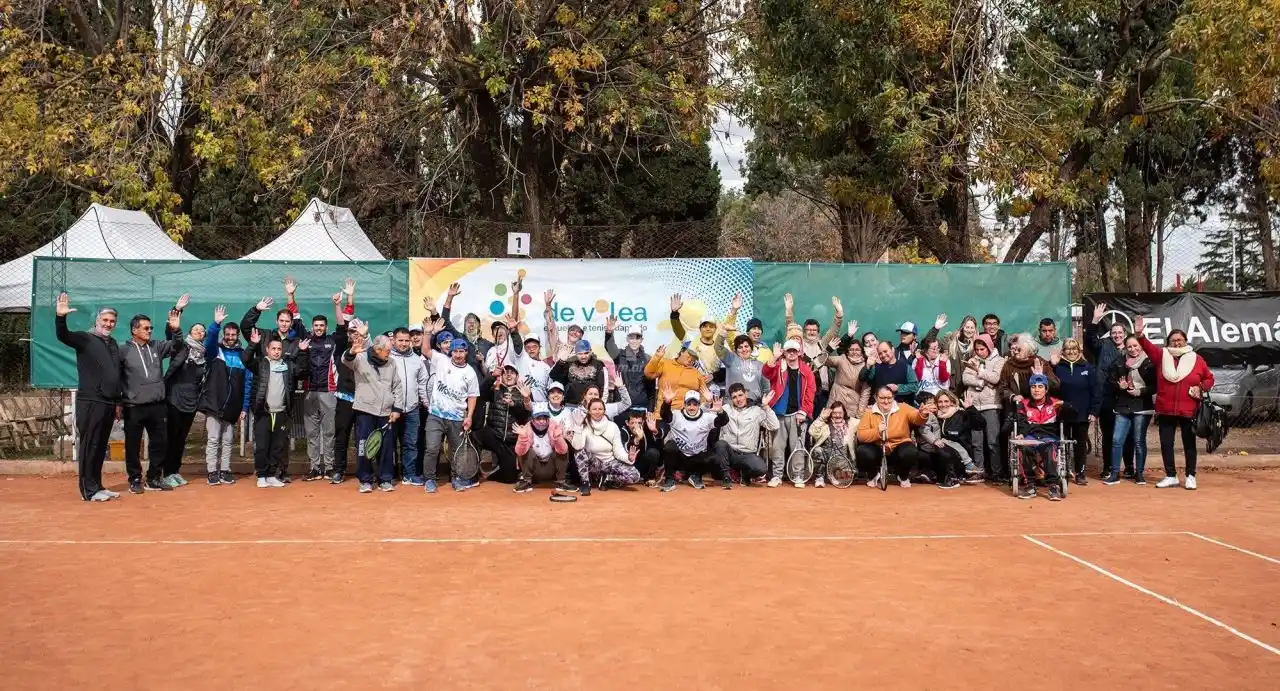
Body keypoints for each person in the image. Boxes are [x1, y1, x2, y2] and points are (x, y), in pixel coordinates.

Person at [55, 293, 122, 501]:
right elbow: (63, 335)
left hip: (109, 403)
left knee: (100, 447)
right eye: (105, 320)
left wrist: (118, 402)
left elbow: (116, 374)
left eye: (112, 321)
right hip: (90, 401)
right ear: (97, 320)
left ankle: (98, 486)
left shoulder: (112, 344)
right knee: (89, 445)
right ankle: (88, 490)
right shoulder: (85, 338)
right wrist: (60, 317)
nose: (108, 324)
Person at [1136, 317, 1213, 490]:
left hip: (1189, 409)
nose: (1176, 343)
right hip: (1166, 409)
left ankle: (1190, 475)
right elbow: (1147, 347)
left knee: (1189, 444)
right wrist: (1140, 335)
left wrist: (1200, 388)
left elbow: (1209, 378)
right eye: (1173, 340)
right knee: (1166, 443)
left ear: (1185, 341)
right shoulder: (1161, 356)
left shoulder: (1197, 359)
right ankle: (1171, 475)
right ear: (1168, 342)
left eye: (1179, 340)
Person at [120, 306, 186, 493]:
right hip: (134, 406)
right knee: (133, 445)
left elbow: (177, 346)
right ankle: (134, 479)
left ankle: (154, 478)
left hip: (158, 405)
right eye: (145, 328)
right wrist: (119, 402)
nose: (149, 331)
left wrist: (176, 330)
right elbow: (117, 377)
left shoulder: (156, 346)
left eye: (150, 328)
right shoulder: (123, 351)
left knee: (160, 442)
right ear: (134, 330)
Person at [299, 282, 352, 482]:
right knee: (312, 434)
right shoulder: (306, 341)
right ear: (312, 327)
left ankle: (329, 467)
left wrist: (338, 304)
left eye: (322, 326)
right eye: (316, 326)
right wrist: (291, 296)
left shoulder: (334, 341)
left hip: (330, 392)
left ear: (326, 327)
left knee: (329, 432)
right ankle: (314, 468)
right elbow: (294, 319)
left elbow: (342, 325)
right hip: (309, 392)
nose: (319, 328)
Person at [245, 331, 310, 488]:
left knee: (277, 446)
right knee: (262, 446)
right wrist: (253, 344)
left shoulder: (287, 366)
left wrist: (302, 352)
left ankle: (271, 475)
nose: (276, 351)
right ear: (267, 349)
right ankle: (261, 475)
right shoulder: (260, 364)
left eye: (279, 349)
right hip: (263, 413)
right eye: (273, 348)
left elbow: (302, 371)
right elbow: (246, 359)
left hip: (281, 413)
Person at [421, 322, 481, 493]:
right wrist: (427, 333)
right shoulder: (441, 360)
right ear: (450, 351)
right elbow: (425, 350)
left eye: (462, 351)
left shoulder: (470, 372)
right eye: (455, 351)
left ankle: (457, 478)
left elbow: (472, 396)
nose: (458, 355)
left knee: (456, 451)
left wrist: (469, 416)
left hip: (457, 418)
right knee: (432, 448)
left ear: (466, 352)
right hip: (436, 415)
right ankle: (430, 479)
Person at [342, 331, 403, 493]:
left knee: (386, 448)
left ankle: (385, 479)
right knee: (365, 446)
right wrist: (351, 352)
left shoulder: (391, 363)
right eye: (387, 351)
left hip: (385, 412)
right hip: (365, 410)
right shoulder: (361, 358)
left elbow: (397, 386)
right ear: (377, 349)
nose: (389, 354)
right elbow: (345, 360)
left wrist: (396, 409)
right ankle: (365, 480)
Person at [200, 306, 251, 486]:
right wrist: (216, 324)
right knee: (213, 439)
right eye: (227, 334)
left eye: (233, 335)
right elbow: (210, 341)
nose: (230, 337)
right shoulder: (216, 352)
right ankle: (212, 472)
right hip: (214, 404)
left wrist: (244, 407)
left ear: (237, 335)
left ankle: (225, 470)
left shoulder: (243, 356)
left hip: (233, 406)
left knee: (228, 440)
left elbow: (247, 384)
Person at [160, 308, 205, 488]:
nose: (199, 333)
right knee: (171, 436)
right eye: (196, 330)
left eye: (202, 331)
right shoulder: (181, 347)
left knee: (181, 437)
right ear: (189, 333)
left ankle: (175, 471)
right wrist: (177, 310)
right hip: (174, 397)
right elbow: (171, 336)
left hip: (191, 400)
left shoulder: (204, 354)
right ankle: (166, 472)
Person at [763, 339, 815, 487]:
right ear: (784, 353)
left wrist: (804, 411)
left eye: (794, 351)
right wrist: (774, 357)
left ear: (799, 353)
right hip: (779, 413)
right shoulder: (778, 366)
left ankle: (797, 476)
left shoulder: (806, 370)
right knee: (777, 447)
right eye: (788, 351)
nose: (791, 353)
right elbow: (766, 372)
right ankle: (777, 476)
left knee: (797, 447)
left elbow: (810, 393)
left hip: (798, 415)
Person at [1089, 302, 1133, 478]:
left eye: (1120, 333)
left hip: (1126, 398)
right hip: (1106, 398)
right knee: (1108, 435)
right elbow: (1090, 340)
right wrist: (1095, 320)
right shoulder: (1103, 345)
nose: (1117, 335)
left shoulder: (1132, 348)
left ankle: (1129, 467)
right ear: (1110, 334)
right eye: (1114, 333)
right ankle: (1107, 467)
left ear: (1125, 334)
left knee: (1128, 435)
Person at [1010, 374, 1071, 501]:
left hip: (1048, 437)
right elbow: (1021, 421)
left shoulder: (1055, 403)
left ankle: (1053, 486)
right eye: (1033, 387)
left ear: (1046, 389)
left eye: (1040, 386)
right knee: (1024, 448)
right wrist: (1022, 433)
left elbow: (1073, 415)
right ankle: (1030, 486)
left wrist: (1065, 406)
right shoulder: (1023, 404)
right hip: (1030, 436)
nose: (1036, 390)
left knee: (1049, 449)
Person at [1105, 335, 1156, 485]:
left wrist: (1140, 392)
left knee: (1139, 441)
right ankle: (1114, 474)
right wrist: (1118, 386)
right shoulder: (1119, 362)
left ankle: (1139, 474)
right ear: (1125, 348)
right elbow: (1111, 381)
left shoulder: (1149, 362)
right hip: (1123, 405)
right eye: (1129, 347)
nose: (1133, 349)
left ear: (1141, 346)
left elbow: (1155, 386)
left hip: (1141, 406)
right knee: (1116, 440)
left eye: (1136, 346)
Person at [855, 387, 928, 488]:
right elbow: (861, 436)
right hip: (878, 449)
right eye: (882, 398)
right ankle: (873, 475)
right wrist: (877, 431)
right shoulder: (868, 412)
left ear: (893, 397)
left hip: (898, 447)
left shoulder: (903, 407)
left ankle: (902, 476)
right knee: (862, 451)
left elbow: (916, 419)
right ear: (876, 398)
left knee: (910, 452)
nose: (886, 401)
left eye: (889, 398)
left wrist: (922, 415)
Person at [1051, 338, 1101, 485]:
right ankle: (1064, 471)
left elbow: (1096, 391)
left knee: (1080, 445)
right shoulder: (1057, 367)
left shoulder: (1088, 368)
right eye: (1068, 349)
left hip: (1082, 414)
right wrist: (1052, 365)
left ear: (1079, 351)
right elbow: (1050, 387)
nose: (1071, 351)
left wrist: (1094, 411)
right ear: (1063, 351)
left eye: (1074, 349)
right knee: (1062, 443)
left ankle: (1080, 473)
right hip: (1062, 413)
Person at [782, 293, 843, 411]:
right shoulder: (798, 346)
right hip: (803, 392)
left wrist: (839, 315)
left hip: (823, 393)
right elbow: (791, 328)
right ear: (804, 332)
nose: (811, 332)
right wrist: (789, 311)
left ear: (818, 332)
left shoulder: (823, 343)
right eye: (808, 330)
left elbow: (834, 330)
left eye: (814, 330)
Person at [658, 389, 729, 491]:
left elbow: (723, 421)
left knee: (715, 458)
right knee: (670, 446)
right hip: (679, 458)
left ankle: (696, 476)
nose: (692, 407)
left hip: (697, 459)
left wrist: (720, 411)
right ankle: (669, 479)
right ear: (684, 404)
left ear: (699, 405)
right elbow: (665, 415)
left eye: (695, 404)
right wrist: (667, 402)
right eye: (689, 404)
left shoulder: (706, 417)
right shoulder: (677, 415)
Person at [570, 398, 642, 495]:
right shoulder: (584, 426)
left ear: (604, 410)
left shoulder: (612, 426)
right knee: (580, 452)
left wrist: (628, 457)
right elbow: (577, 446)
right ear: (589, 411)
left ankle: (607, 479)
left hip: (610, 463)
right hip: (594, 463)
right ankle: (585, 482)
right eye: (594, 409)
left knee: (635, 476)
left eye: (600, 409)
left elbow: (618, 451)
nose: (597, 411)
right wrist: (578, 426)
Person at [476, 364, 532, 484]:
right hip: (494, 434)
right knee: (475, 435)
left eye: (512, 372)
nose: (508, 374)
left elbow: (524, 417)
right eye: (506, 372)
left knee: (510, 478)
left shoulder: (524, 392)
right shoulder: (495, 389)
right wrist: (492, 377)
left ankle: (493, 473)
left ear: (517, 376)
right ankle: (473, 469)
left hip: (510, 439)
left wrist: (514, 404)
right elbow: (480, 393)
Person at [714, 382, 778, 485]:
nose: (738, 399)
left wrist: (766, 406)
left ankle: (745, 476)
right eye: (734, 397)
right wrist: (712, 406)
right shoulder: (725, 409)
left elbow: (774, 426)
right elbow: (710, 421)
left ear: (746, 394)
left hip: (747, 454)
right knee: (720, 444)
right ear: (731, 399)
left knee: (761, 469)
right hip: (730, 453)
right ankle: (726, 477)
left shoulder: (756, 411)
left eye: (740, 395)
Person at [961, 334, 1004, 481]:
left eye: (982, 349)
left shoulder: (999, 361)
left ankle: (997, 473)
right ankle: (978, 471)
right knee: (976, 442)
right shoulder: (972, 360)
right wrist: (980, 383)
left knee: (993, 442)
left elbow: (996, 378)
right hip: (974, 407)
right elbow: (965, 378)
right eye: (977, 349)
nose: (979, 352)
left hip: (992, 405)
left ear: (989, 347)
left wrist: (979, 372)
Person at [390, 326, 429, 485]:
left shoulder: (417, 360)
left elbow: (422, 384)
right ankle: (389, 475)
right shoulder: (388, 358)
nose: (404, 343)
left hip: (412, 409)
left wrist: (427, 404)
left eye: (407, 340)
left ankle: (409, 475)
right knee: (389, 444)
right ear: (394, 341)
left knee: (410, 444)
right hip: (391, 409)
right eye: (401, 340)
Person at [670, 292, 742, 375]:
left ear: (715, 329)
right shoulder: (690, 343)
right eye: (704, 326)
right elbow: (678, 330)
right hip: (692, 383)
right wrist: (674, 313)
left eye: (711, 326)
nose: (708, 329)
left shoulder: (720, 348)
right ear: (700, 328)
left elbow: (728, 329)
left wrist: (734, 311)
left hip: (714, 385)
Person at [917, 390, 976, 489]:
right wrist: (934, 440)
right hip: (936, 451)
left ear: (951, 402)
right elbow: (923, 429)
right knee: (926, 452)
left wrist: (971, 409)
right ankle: (932, 474)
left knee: (945, 447)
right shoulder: (931, 415)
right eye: (940, 402)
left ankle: (955, 477)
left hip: (957, 454)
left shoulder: (960, 414)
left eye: (946, 401)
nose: (943, 404)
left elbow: (980, 424)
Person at [512, 403, 570, 492]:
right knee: (528, 451)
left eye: (544, 418)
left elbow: (563, 451)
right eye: (538, 418)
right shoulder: (526, 429)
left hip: (551, 468)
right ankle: (527, 481)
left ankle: (561, 482)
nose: (542, 421)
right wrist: (523, 437)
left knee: (563, 447)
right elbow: (519, 452)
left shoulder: (554, 427)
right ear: (532, 419)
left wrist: (558, 438)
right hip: (535, 469)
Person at [643, 343, 711, 412]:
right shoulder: (665, 364)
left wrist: (702, 409)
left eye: (694, 358)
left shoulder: (697, 373)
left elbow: (704, 395)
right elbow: (649, 374)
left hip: (687, 415)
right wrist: (656, 357)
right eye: (689, 355)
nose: (691, 359)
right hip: (664, 412)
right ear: (682, 352)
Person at [999, 334, 1060, 409]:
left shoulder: (1040, 362)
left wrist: (1042, 377)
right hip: (1016, 408)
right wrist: (1012, 396)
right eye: (1014, 349)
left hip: (1038, 409)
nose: (1015, 352)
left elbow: (1056, 385)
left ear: (1029, 351)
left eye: (1019, 350)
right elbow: (1002, 387)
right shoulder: (1009, 365)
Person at [604, 319, 654, 410]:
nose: (634, 341)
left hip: (641, 406)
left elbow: (651, 388)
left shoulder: (648, 359)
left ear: (642, 340)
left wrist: (651, 409)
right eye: (631, 337)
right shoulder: (619, 355)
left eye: (637, 337)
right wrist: (609, 332)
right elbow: (609, 347)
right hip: (622, 404)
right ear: (627, 339)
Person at [922, 314, 978, 392]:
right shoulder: (949, 341)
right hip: (950, 389)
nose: (969, 330)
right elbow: (928, 342)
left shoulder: (976, 347)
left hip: (967, 390)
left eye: (972, 328)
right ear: (962, 327)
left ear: (975, 329)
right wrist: (935, 329)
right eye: (967, 327)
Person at [823, 329, 870, 421]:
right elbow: (822, 361)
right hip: (835, 400)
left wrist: (860, 413)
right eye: (851, 349)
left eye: (857, 349)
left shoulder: (867, 365)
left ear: (862, 351)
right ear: (847, 351)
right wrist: (828, 349)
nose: (854, 352)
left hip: (853, 405)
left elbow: (865, 392)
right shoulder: (841, 360)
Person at [808, 402, 855, 488]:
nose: (837, 415)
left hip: (843, 462)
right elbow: (811, 431)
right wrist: (820, 418)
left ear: (844, 413)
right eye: (834, 413)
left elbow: (863, 423)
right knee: (817, 450)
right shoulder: (824, 425)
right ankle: (819, 478)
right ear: (830, 414)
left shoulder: (851, 424)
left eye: (840, 413)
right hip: (826, 460)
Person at [550, 339, 607, 405]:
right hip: (570, 404)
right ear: (576, 353)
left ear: (590, 351)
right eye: (580, 354)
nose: (583, 356)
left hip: (590, 405)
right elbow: (553, 375)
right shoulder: (570, 362)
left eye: (586, 353)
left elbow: (603, 387)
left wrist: (600, 404)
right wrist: (561, 361)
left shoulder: (598, 364)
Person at [863, 341, 920, 405]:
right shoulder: (876, 368)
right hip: (882, 408)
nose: (883, 355)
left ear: (892, 349)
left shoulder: (906, 367)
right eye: (880, 353)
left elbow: (915, 387)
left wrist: (898, 388)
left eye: (885, 351)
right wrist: (867, 366)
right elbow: (863, 379)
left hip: (901, 408)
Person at [722, 334, 772, 406]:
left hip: (754, 406)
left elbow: (766, 388)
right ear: (736, 350)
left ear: (751, 348)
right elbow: (718, 347)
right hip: (732, 406)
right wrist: (723, 332)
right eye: (740, 347)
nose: (744, 349)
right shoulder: (731, 360)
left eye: (746, 346)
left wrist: (763, 403)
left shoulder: (760, 365)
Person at [621, 408, 664, 482]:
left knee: (653, 452)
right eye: (633, 423)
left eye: (639, 423)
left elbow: (660, 441)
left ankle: (650, 477)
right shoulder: (623, 431)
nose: (636, 426)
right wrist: (637, 439)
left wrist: (654, 430)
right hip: (628, 466)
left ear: (643, 422)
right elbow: (624, 449)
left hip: (643, 464)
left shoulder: (647, 429)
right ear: (627, 423)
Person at [542, 289, 585, 362]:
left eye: (578, 331)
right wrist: (548, 306)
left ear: (581, 336)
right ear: (568, 334)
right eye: (572, 330)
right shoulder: (558, 347)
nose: (574, 332)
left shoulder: (584, 353)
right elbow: (551, 329)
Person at [514, 334, 552, 402]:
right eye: (528, 347)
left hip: (541, 405)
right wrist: (514, 332)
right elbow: (517, 344)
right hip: (524, 404)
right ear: (525, 349)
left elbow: (549, 390)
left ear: (539, 347)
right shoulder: (522, 360)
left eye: (534, 346)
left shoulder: (546, 367)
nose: (531, 349)